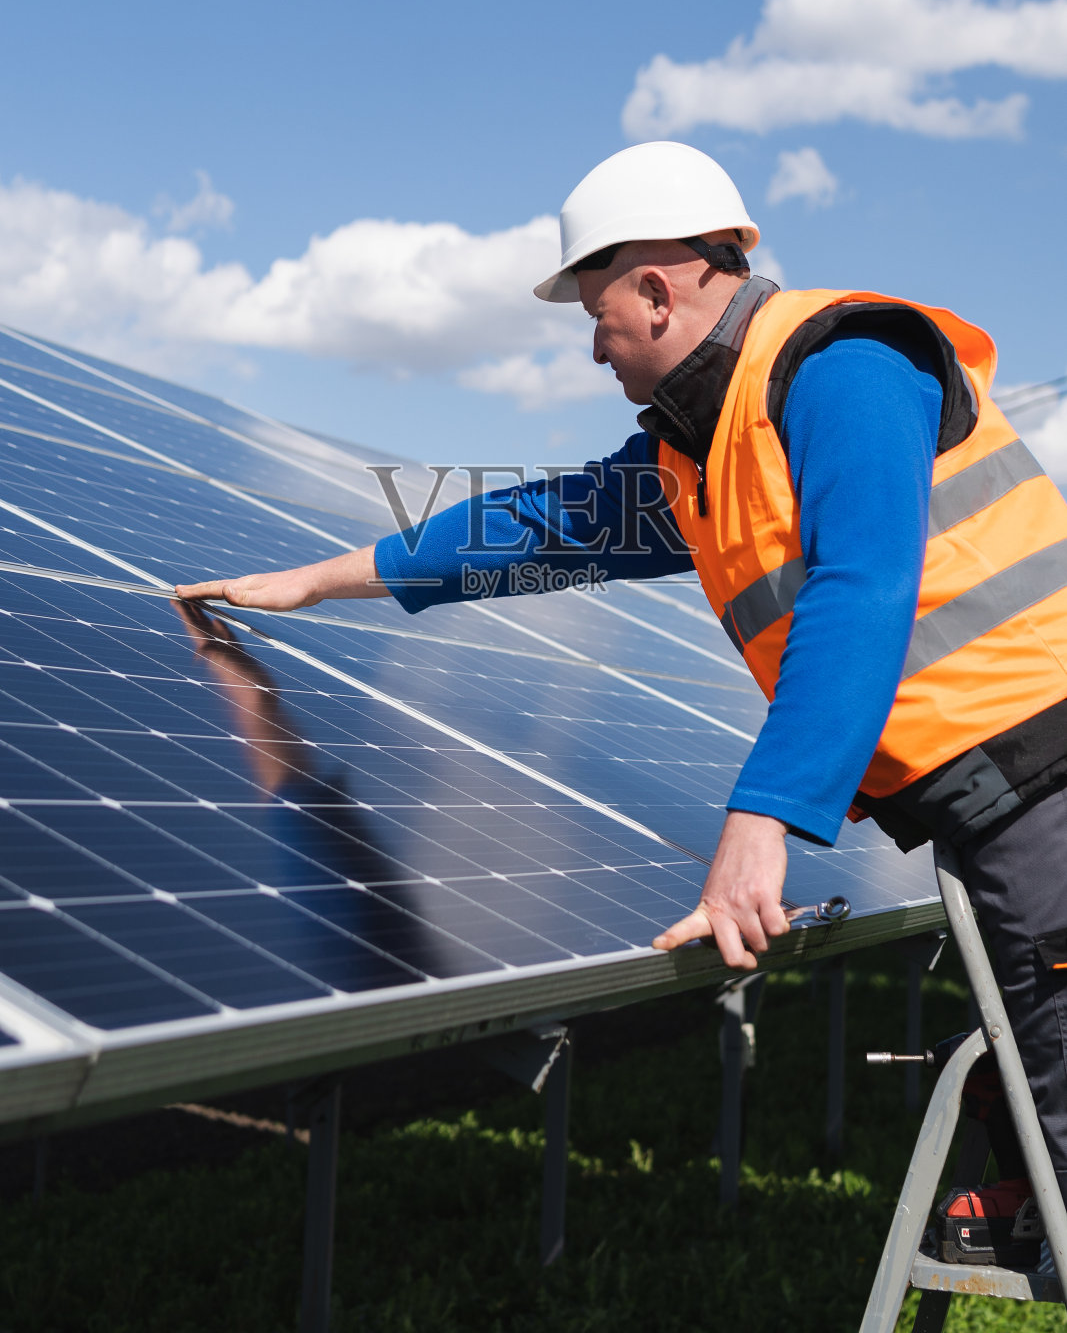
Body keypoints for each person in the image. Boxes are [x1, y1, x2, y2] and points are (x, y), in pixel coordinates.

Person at [177, 140, 1067, 1209]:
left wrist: (760, 821)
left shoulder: (843, 367)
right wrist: (320, 580)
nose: (593, 352)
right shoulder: (700, 449)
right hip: (1000, 802)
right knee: (1039, 1078)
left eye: (592, 314)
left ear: (653, 291)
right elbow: (535, 525)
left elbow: (862, 586)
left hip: (1046, 785)